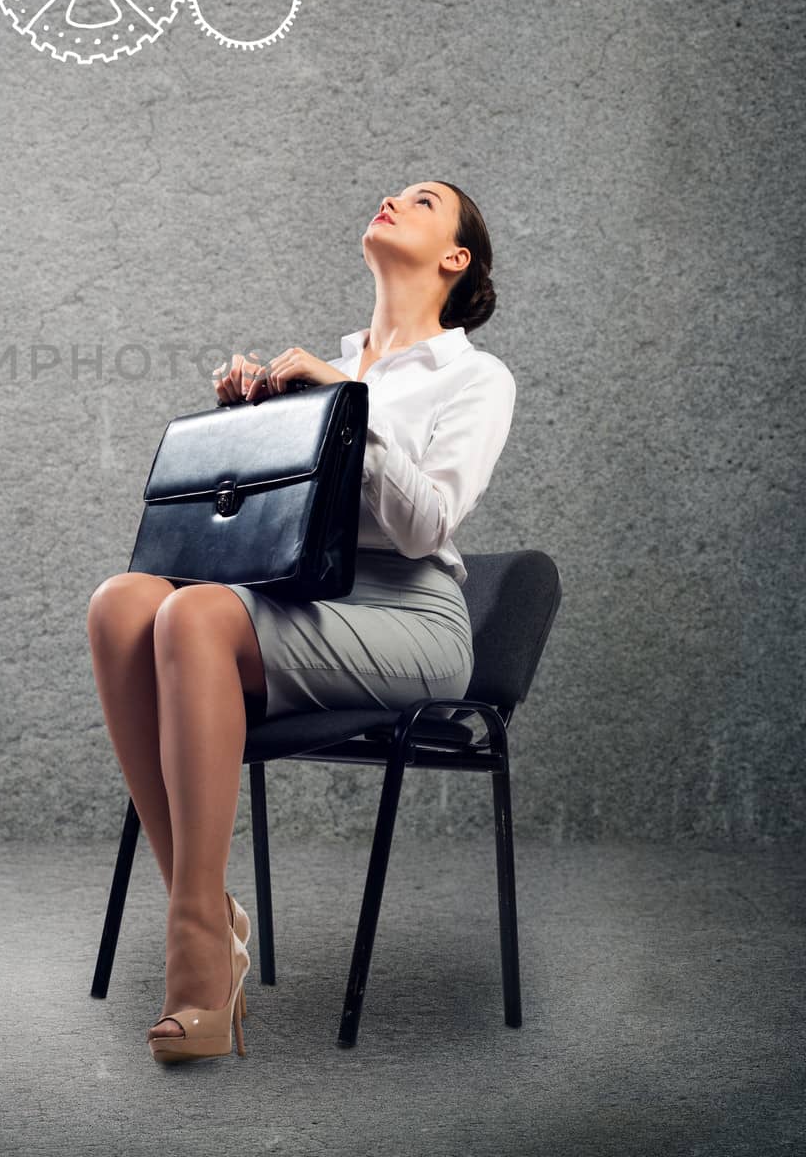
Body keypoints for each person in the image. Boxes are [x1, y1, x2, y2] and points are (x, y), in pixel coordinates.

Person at [86, 179, 517, 1062]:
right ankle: (206, 908)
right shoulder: (327, 365)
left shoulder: (475, 378)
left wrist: (343, 411)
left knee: (194, 619)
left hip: (411, 618)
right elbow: (263, 536)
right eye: (395, 192)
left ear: (455, 258)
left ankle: (197, 957)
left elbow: (427, 524)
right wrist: (253, 426)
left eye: (424, 201)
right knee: (123, 602)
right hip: (299, 603)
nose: (394, 199)